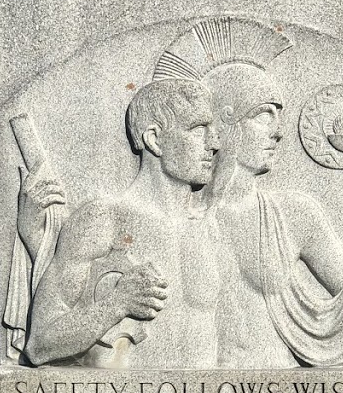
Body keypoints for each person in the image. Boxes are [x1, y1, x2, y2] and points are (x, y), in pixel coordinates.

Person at [202, 62, 343, 367]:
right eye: (263, 116)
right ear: (222, 122)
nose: (279, 133)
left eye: (279, 118)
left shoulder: (293, 214)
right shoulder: (184, 217)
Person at [23, 78, 221, 368]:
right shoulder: (103, 218)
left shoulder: (209, 227)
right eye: (198, 129)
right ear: (155, 139)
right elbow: (40, 344)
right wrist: (117, 304)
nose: (214, 144)